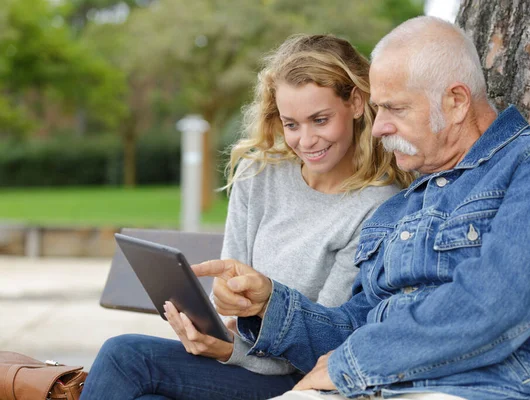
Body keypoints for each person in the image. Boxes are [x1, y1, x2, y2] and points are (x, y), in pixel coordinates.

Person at [201, 16, 530, 400]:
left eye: (395, 109)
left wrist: (352, 363)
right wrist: (270, 304)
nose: (377, 128)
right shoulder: (400, 209)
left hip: (490, 387)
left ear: (456, 102)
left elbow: (496, 305)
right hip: (372, 386)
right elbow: (352, 326)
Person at [81, 34, 413, 400]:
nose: (306, 141)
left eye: (320, 120)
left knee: (123, 355)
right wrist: (210, 329)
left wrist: (227, 350)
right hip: (240, 364)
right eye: (291, 124)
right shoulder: (260, 173)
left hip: (301, 380)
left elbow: (323, 342)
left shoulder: (378, 205)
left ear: (355, 102)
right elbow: (229, 291)